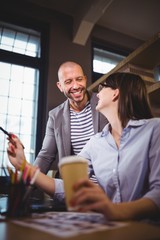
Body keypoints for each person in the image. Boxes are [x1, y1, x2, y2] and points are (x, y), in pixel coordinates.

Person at [7, 72, 160, 221]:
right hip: (111, 228)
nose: (97, 94)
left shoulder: (155, 130)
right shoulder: (96, 142)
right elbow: (70, 187)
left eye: (102, 88)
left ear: (115, 93)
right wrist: (23, 166)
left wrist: (115, 211)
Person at [34, 61, 106, 175]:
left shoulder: (103, 102)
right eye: (68, 82)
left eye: (79, 79)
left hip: (107, 184)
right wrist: (27, 182)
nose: (76, 86)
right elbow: (46, 156)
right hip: (75, 186)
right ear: (60, 86)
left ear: (85, 79)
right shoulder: (55, 116)